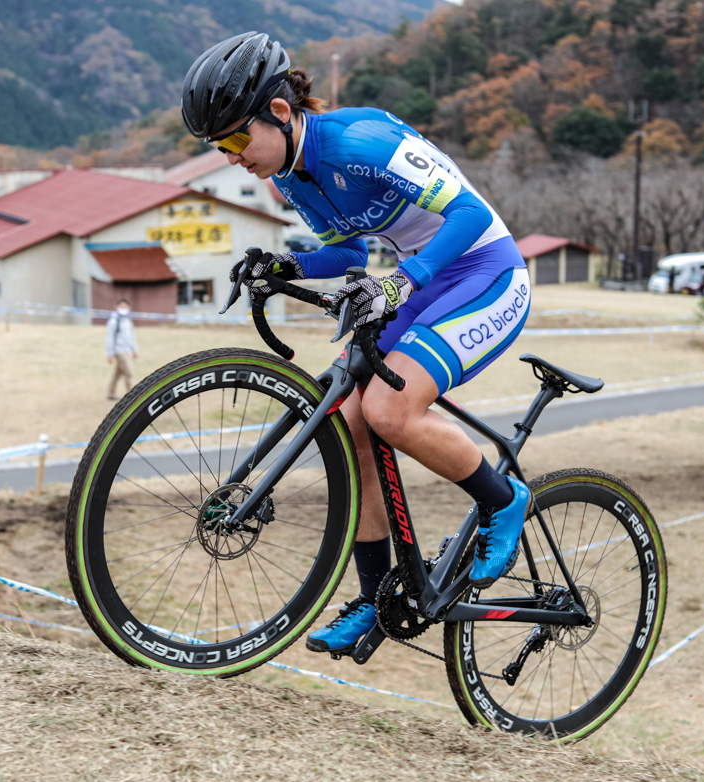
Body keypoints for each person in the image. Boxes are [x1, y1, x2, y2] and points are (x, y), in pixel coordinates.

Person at [182, 32, 534, 656]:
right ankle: (376, 599)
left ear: (282, 113)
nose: (233, 156)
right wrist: (286, 267)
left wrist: (403, 282)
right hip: (423, 274)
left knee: (389, 410)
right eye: (221, 147)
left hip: (487, 272)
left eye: (238, 138)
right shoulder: (289, 174)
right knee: (349, 419)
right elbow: (347, 251)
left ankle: (503, 501)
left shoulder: (361, 142)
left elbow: (471, 217)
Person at [105, 298, 138, 400]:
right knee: (128, 372)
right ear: (117, 307)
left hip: (126, 350)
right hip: (119, 351)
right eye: (121, 307)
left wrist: (134, 349)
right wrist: (110, 353)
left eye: (125, 307)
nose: (123, 309)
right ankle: (132, 396)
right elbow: (110, 337)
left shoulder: (128, 320)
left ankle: (110, 394)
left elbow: (131, 336)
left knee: (117, 374)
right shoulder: (114, 321)